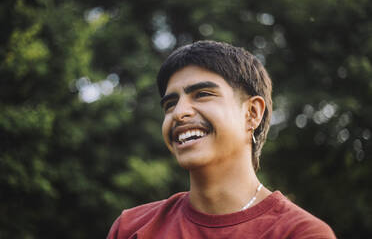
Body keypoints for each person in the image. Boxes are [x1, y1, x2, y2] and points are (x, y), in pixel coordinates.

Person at [107, 40, 336, 238]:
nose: (179, 113)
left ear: (252, 113)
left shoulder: (300, 233)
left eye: (203, 94)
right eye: (170, 104)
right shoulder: (132, 228)